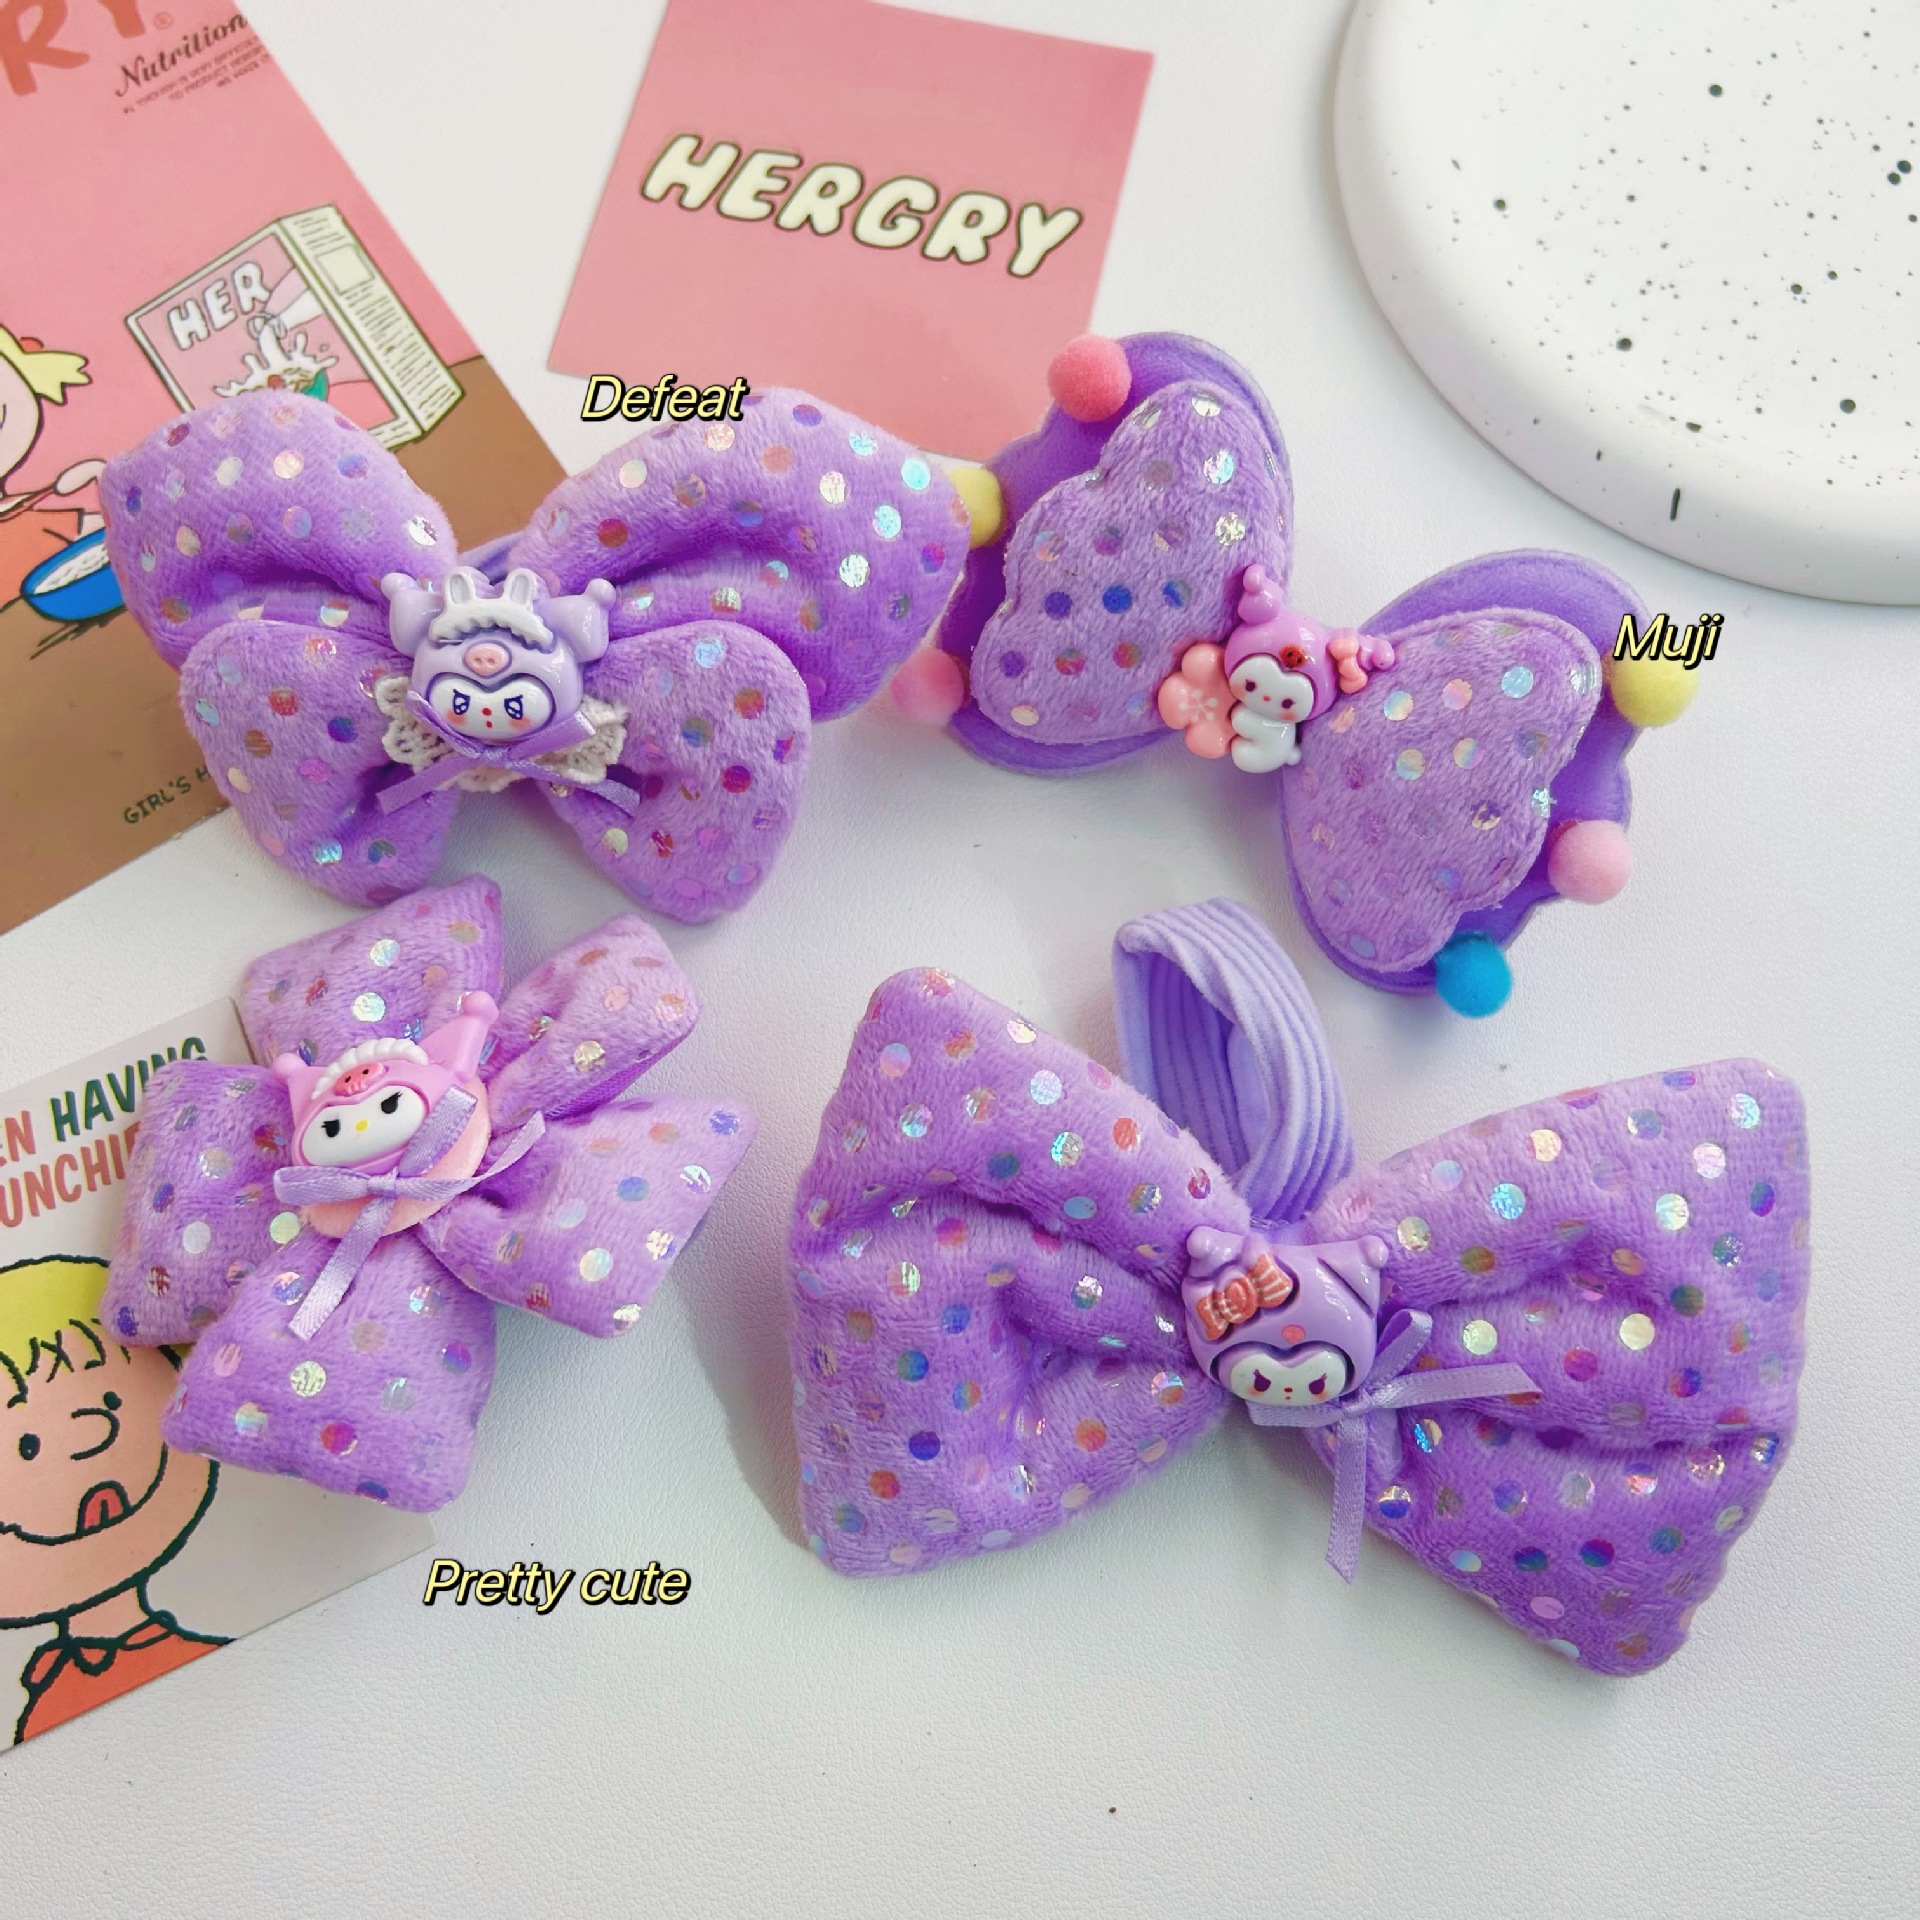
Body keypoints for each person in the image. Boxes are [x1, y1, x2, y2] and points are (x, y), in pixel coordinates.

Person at [0, 1255, 225, 1744]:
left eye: (109, 1407)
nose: (90, 1439)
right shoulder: (50, 1683)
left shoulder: (191, 1665)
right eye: (28, 1446)